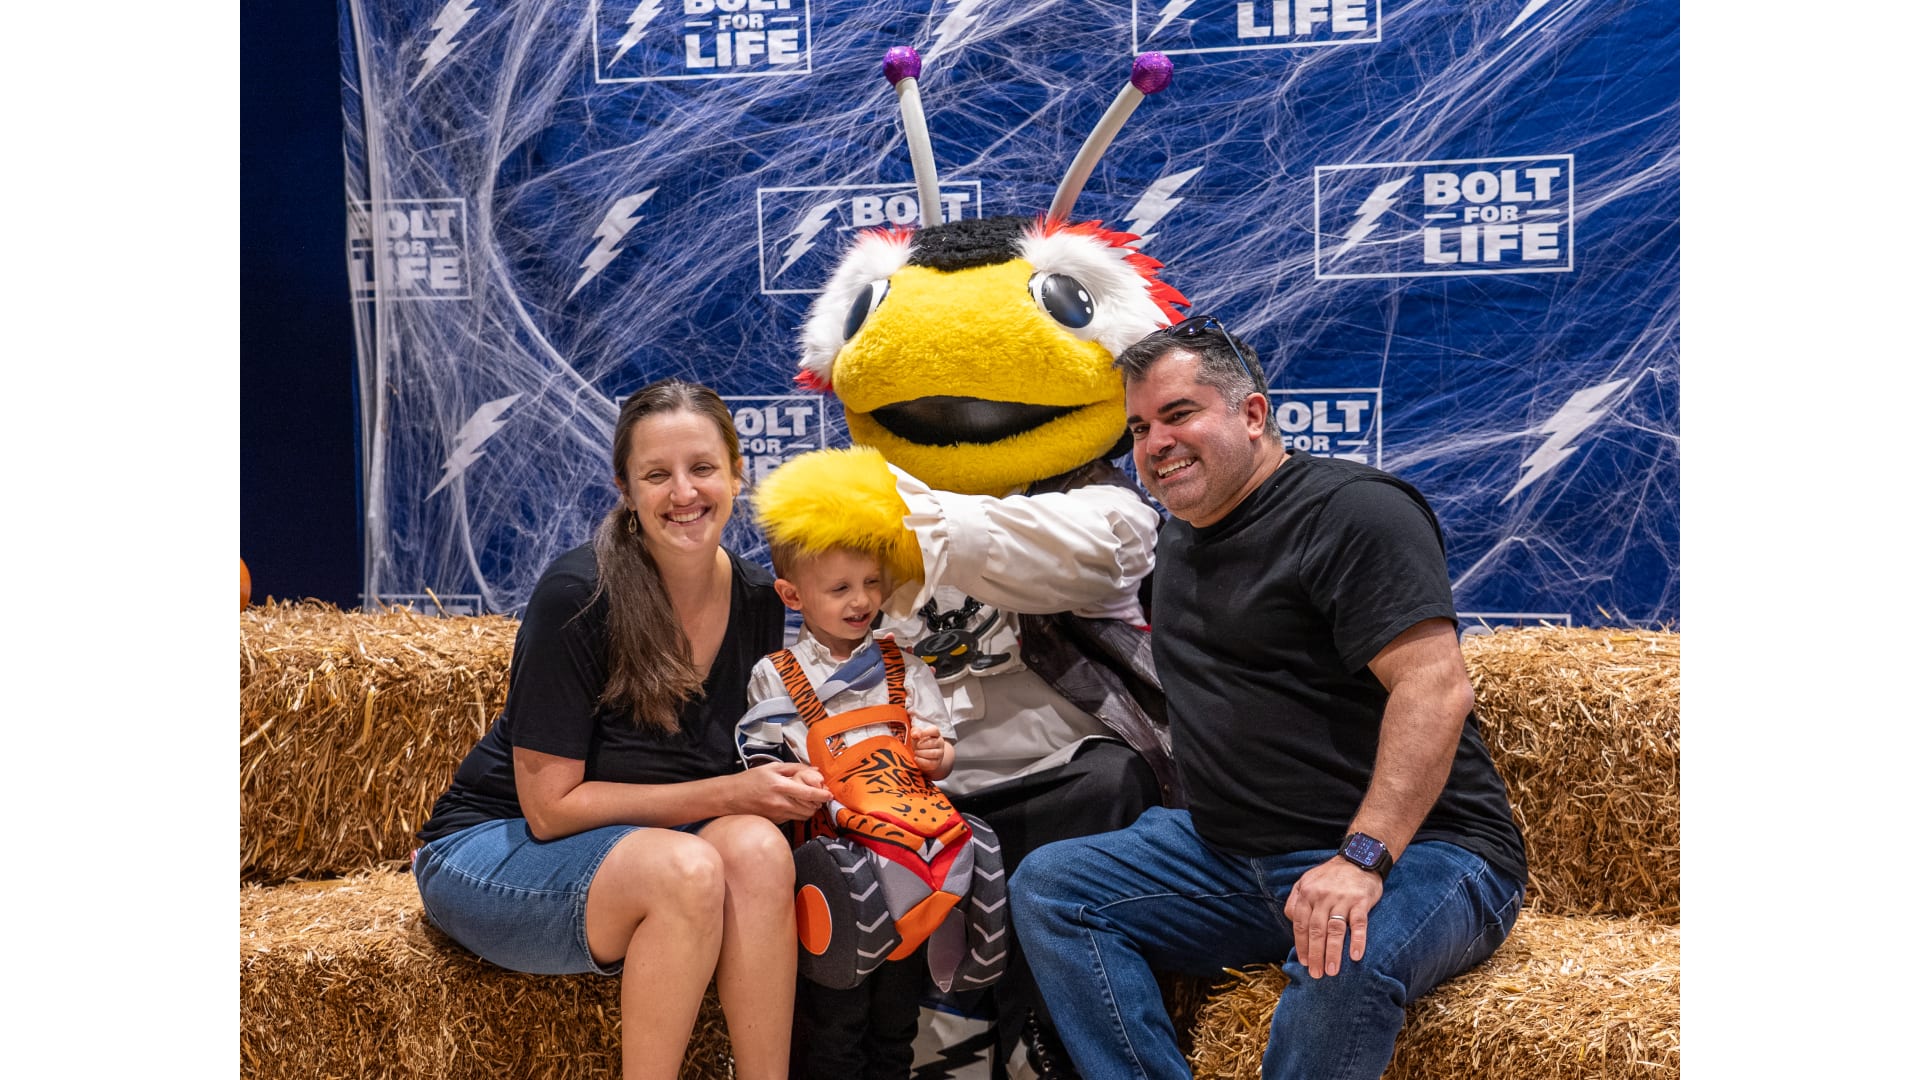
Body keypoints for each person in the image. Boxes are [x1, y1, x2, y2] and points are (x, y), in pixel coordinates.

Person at [1008, 316, 1529, 1080]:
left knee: (1343, 957)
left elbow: (1435, 687)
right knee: (1053, 889)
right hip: (1234, 861)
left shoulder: (1353, 513)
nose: (1155, 444)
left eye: (1179, 414)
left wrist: (1361, 858)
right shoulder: (1176, 540)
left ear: (1252, 414)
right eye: (1139, 428)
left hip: (1420, 853)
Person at [411, 378, 832, 1080]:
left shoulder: (760, 598)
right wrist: (731, 794)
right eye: (656, 475)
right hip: (494, 845)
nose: (684, 492)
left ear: (737, 474)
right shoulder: (578, 594)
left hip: (650, 847)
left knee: (759, 851)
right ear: (626, 490)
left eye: (702, 468)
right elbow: (549, 811)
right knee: (686, 871)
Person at [738, 539, 957, 1080]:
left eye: (871, 583)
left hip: (909, 872)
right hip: (828, 873)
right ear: (792, 595)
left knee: (896, 1020)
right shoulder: (776, 673)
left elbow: (943, 755)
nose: (861, 600)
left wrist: (935, 755)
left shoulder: (906, 668)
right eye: (840, 588)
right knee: (833, 1021)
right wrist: (794, 780)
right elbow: (760, 765)